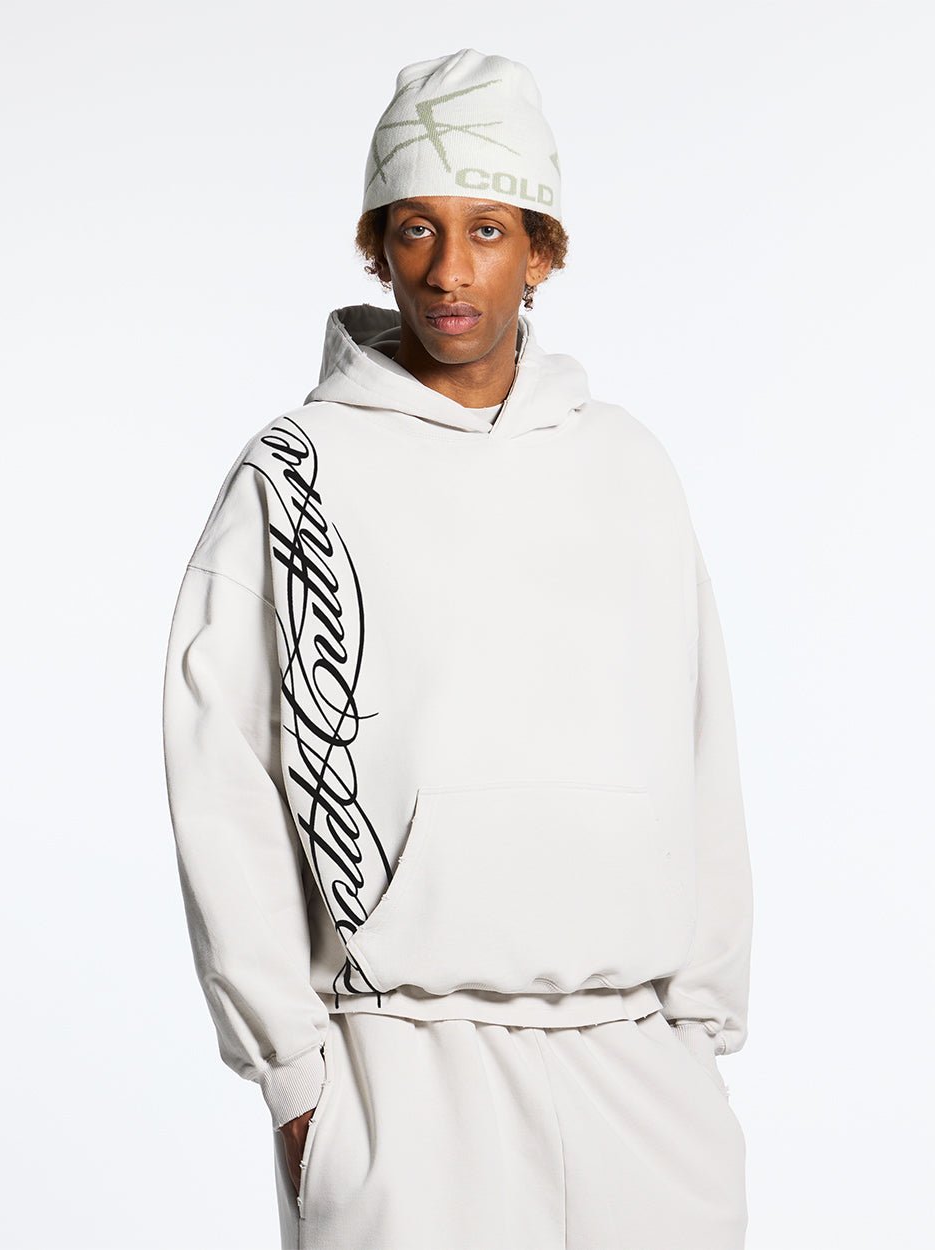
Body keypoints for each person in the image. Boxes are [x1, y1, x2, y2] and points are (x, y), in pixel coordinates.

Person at [161, 47, 754, 1250]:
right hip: (401, 1070)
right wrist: (296, 1081)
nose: (447, 269)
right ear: (377, 246)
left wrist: (699, 1034)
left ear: (541, 252)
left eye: (487, 229)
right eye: (415, 227)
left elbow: (702, 749)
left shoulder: (627, 464)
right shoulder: (297, 475)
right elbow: (221, 778)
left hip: (638, 1073)